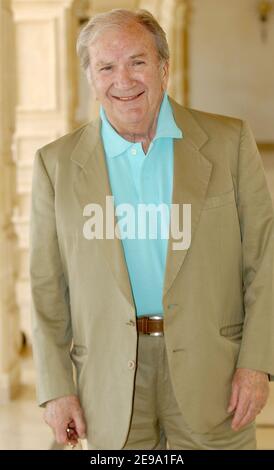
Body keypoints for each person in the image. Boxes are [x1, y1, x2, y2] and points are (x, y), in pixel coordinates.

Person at [30, 8, 274, 450]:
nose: (123, 80)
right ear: (91, 77)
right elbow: (48, 288)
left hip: (213, 375)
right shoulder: (55, 165)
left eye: (137, 62)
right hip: (106, 381)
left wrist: (256, 363)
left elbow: (265, 261)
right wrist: (56, 387)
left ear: (164, 67)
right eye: (106, 66)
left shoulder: (229, 143)